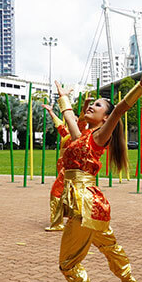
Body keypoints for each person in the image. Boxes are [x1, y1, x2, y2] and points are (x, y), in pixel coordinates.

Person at [44, 62, 142, 282]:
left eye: (97, 105)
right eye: (91, 103)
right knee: (109, 246)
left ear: (105, 117)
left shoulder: (100, 136)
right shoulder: (81, 137)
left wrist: (141, 86)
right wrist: (62, 97)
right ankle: (128, 279)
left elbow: (119, 110)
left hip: (84, 204)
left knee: (68, 263)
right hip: (92, 205)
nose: (91, 106)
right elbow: (70, 118)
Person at [44, 97, 90, 232]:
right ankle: (74, 219)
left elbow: (82, 120)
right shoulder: (66, 133)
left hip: (69, 168)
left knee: (56, 192)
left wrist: (85, 105)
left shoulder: (79, 133)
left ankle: (58, 222)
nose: (71, 121)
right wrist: (51, 112)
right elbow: (58, 123)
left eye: (74, 120)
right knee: (68, 194)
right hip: (63, 167)